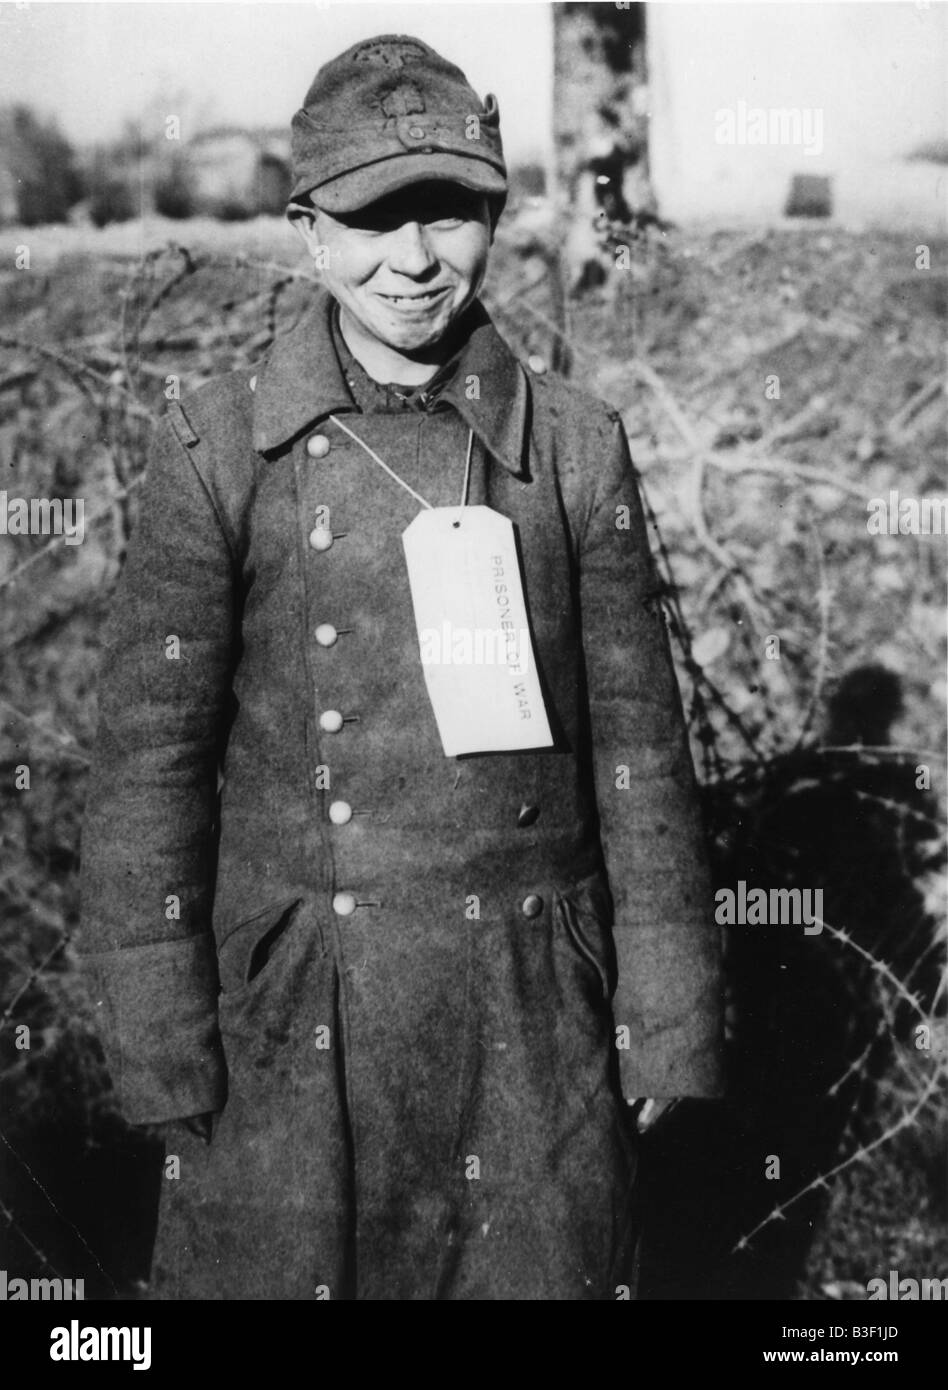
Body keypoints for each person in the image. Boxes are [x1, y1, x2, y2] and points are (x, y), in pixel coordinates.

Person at [79, 33, 723, 1301]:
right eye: (372, 221)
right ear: (309, 230)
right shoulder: (218, 449)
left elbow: (644, 757)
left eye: (451, 213)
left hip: (531, 1008)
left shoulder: (577, 450)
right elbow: (148, 767)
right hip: (297, 1010)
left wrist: (667, 1014)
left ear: (495, 217)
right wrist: (158, 1035)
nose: (414, 261)